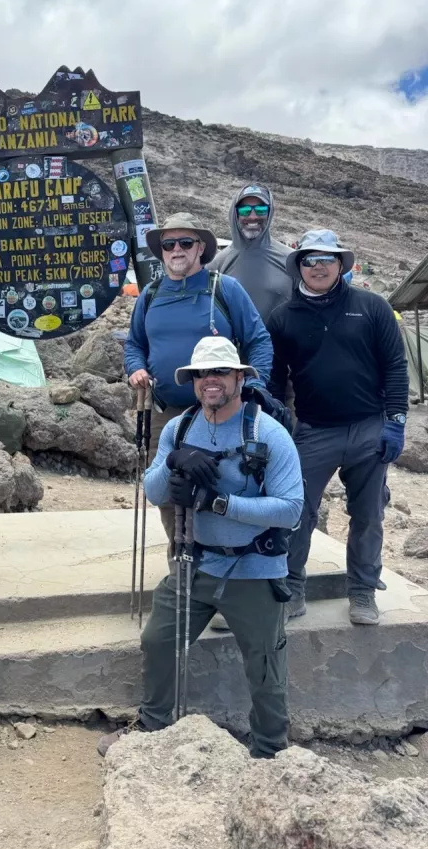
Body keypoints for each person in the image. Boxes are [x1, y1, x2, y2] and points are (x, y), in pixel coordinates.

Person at [98, 337, 303, 760]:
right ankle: (153, 724)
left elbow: (291, 510)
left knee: (265, 664)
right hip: (195, 564)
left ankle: (270, 751)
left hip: (254, 570)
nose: (210, 381)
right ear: (192, 382)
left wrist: (221, 503)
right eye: (201, 374)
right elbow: (154, 491)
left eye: (220, 372)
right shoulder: (180, 427)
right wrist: (173, 461)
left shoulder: (268, 432)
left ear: (240, 378)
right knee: (158, 640)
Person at [268, 229, 409, 626]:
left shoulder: (372, 307)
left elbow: (396, 366)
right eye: (310, 259)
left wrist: (395, 422)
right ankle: (292, 585)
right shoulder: (283, 317)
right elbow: (276, 379)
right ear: (298, 266)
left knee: (368, 514)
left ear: (340, 264)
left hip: (369, 427)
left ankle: (363, 591)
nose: (318, 266)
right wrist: (280, 423)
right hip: (313, 430)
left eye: (327, 259)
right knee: (296, 511)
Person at [124, 211, 278, 553]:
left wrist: (256, 386)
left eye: (185, 242)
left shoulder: (224, 288)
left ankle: (220, 560)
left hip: (220, 410)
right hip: (167, 411)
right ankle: (180, 558)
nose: (176, 249)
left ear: (200, 249)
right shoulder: (149, 295)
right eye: (168, 244)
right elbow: (135, 344)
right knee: (166, 489)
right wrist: (135, 368)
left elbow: (258, 340)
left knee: (223, 484)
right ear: (161, 251)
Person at [209, 184, 293, 324]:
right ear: (235, 213)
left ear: (270, 212)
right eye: (245, 210)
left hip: (280, 345)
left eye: (260, 210)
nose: (253, 216)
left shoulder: (290, 260)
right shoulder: (217, 263)